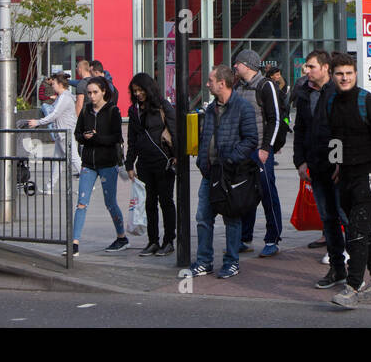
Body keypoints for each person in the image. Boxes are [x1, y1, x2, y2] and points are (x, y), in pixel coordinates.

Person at [325, 52, 371, 310]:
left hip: (370, 175)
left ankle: (353, 286)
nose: (344, 78)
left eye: (349, 73)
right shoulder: (332, 102)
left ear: (356, 74)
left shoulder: (370, 102)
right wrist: (336, 164)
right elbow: (335, 137)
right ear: (332, 76)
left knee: (355, 231)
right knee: (363, 230)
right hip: (346, 175)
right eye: (339, 74)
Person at [190, 65, 258, 279]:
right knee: (203, 216)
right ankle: (204, 261)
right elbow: (205, 138)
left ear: (222, 83)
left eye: (211, 80)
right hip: (210, 173)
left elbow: (251, 140)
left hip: (231, 173)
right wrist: (203, 161)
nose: (208, 84)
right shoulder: (210, 109)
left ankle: (231, 262)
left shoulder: (243, 107)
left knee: (232, 218)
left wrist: (231, 159)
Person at [291, 50, 347, 287]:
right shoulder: (304, 92)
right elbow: (300, 129)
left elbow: (342, 130)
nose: (307, 71)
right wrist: (300, 161)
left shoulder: (338, 93)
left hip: (336, 168)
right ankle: (336, 269)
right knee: (328, 219)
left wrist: (338, 162)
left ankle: (357, 270)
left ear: (325, 68)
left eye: (311, 66)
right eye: (306, 67)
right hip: (315, 165)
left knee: (346, 216)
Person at [69, 76, 128, 257]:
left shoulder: (112, 111)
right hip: (89, 162)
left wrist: (95, 137)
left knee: (110, 202)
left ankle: (121, 237)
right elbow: (77, 133)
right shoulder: (86, 111)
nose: (91, 97)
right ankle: (74, 243)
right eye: (89, 93)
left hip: (107, 163)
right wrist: (84, 136)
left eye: (95, 92)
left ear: (103, 91)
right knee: (81, 203)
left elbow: (116, 137)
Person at [233, 49, 284, 257]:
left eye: (237, 63)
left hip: (260, 151)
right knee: (245, 194)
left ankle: (272, 238)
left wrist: (266, 148)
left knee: (267, 193)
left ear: (246, 65)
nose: (235, 66)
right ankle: (245, 237)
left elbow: (275, 119)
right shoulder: (238, 87)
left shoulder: (265, 86)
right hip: (243, 151)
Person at [125, 73, 178, 257]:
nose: (138, 94)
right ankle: (153, 241)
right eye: (135, 91)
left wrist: (177, 156)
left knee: (166, 201)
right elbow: (132, 138)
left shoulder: (163, 106)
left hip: (163, 162)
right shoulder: (134, 110)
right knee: (149, 203)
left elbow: (175, 130)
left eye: (140, 90)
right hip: (145, 163)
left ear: (149, 89)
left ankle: (169, 240)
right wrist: (129, 163)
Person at [29, 72, 81, 195]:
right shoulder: (63, 96)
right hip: (62, 134)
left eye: (54, 84)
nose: (52, 86)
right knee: (58, 161)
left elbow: (54, 114)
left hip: (65, 133)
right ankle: (50, 187)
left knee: (74, 159)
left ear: (59, 84)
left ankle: (87, 184)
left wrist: (38, 122)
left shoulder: (64, 97)